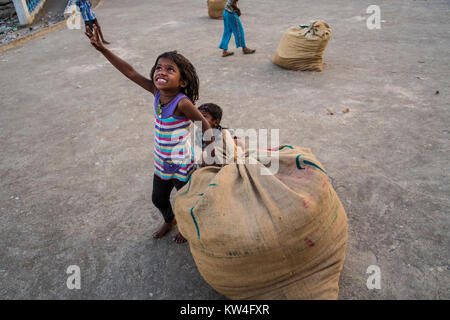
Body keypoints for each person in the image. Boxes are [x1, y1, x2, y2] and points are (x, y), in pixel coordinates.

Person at [85, 25, 215, 243]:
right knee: (158, 198)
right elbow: (130, 72)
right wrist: (102, 49)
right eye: (158, 67)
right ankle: (170, 220)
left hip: (182, 162)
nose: (161, 72)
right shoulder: (156, 92)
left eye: (170, 69)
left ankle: (185, 227)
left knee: (186, 200)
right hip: (162, 162)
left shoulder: (182, 103)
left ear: (183, 82)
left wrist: (210, 155)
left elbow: (205, 126)